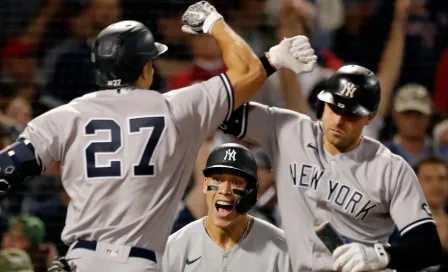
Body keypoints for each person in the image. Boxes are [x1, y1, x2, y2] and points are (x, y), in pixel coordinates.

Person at [0, 2, 317, 272]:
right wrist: (214, 22)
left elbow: (10, 166)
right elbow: (247, 71)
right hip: (140, 262)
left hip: (82, 260)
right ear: (147, 68)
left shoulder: (66, 116)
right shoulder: (176, 107)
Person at [219, 64, 442, 271]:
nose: (338, 121)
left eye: (351, 114)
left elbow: (428, 248)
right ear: (321, 105)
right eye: (334, 108)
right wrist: (268, 63)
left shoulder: (390, 169)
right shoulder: (289, 130)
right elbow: (220, 108)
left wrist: (382, 255)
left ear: (370, 117)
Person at [161, 143, 291, 271]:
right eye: (217, 180)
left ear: (250, 191)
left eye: (236, 182)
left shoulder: (280, 248)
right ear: (205, 184)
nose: (224, 190)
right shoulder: (176, 247)